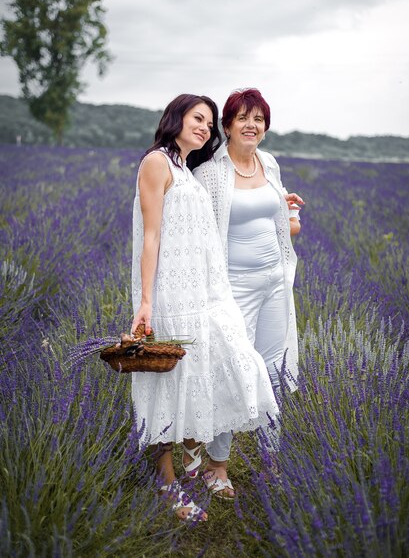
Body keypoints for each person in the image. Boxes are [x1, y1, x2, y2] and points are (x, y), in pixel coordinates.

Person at [130, 94, 279, 521]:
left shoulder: (184, 167)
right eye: (198, 118)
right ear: (176, 117)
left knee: (220, 365)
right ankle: (166, 482)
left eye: (209, 123)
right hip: (171, 297)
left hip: (202, 293)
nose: (205, 127)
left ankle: (196, 463)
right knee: (167, 382)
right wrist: (145, 302)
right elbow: (151, 234)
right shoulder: (157, 162)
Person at [192, 88, 304, 498]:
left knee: (275, 369)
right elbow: (196, 231)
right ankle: (216, 465)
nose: (251, 125)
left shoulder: (269, 163)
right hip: (233, 286)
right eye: (242, 117)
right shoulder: (211, 175)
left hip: (275, 280)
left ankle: (271, 459)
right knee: (234, 369)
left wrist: (290, 213)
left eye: (258, 118)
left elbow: (281, 224)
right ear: (227, 126)